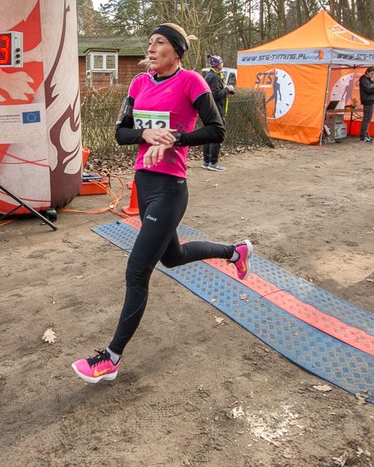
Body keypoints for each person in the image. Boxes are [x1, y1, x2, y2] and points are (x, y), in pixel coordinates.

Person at [71, 23, 253, 384]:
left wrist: (174, 138)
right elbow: (121, 133)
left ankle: (110, 358)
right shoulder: (139, 84)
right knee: (171, 256)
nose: (151, 49)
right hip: (144, 181)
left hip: (171, 188)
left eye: (160, 43)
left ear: (177, 51)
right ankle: (235, 252)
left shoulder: (192, 82)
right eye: (150, 43)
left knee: (138, 271)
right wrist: (144, 133)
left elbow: (217, 129)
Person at [201, 54, 234, 171]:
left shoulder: (210, 76)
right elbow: (215, 95)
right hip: (216, 112)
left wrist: (225, 89)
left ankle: (206, 161)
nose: (223, 64)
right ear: (218, 65)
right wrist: (228, 89)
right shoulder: (214, 77)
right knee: (217, 137)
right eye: (221, 62)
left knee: (208, 136)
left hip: (209, 111)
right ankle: (213, 163)